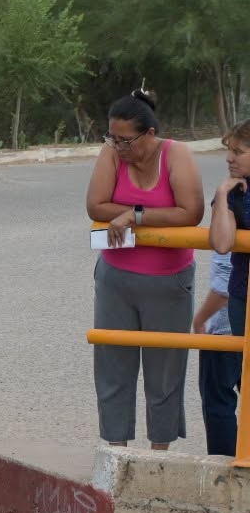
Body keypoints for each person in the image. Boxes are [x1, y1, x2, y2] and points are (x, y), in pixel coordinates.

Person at [87, 90, 204, 450]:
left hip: (168, 281)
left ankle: (158, 455)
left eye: (126, 140)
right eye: (112, 138)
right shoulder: (112, 155)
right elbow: (95, 204)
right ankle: (116, 452)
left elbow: (191, 212)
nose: (118, 147)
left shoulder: (176, 154)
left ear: (150, 134)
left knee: (165, 371)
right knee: (113, 367)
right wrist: (146, 214)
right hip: (116, 276)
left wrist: (134, 215)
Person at [206, 119, 250, 450]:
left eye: (239, 151)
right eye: (229, 151)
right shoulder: (234, 193)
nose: (230, 158)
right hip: (242, 298)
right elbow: (222, 243)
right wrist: (222, 195)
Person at [193, 252, 239, 456]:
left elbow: (225, 284)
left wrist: (200, 319)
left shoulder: (233, 218)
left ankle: (227, 473)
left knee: (219, 405)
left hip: (228, 330)